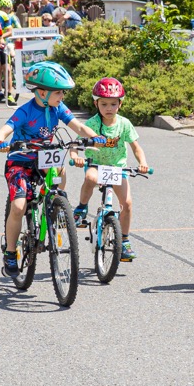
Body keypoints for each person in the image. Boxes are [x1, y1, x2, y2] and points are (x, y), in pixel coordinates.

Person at [0, 62, 101, 278]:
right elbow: (4, 130)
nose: (62, 96)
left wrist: (96, 137)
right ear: (42, 93)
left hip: (44, 158)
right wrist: (0, 141)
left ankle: (56, 203)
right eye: (58, 92)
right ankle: (11, 252)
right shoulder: (25, 111)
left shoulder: (58, 108)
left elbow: (78, 126)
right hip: (20, 161)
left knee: (59, 169)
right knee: (19, 206)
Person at [72, 78, 150, 262]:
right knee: (90, 178)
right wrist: (76, 157)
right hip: (96, 165)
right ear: (96, 104)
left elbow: (136, 148)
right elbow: (75, 144)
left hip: (117, 168)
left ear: (120, 104)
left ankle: (124, 241)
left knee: (127, 204)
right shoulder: (91, 124)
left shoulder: (124, 124)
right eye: (104, 104)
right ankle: (81, 208)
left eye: (113, 104)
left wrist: (143, 162)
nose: (109, 108)